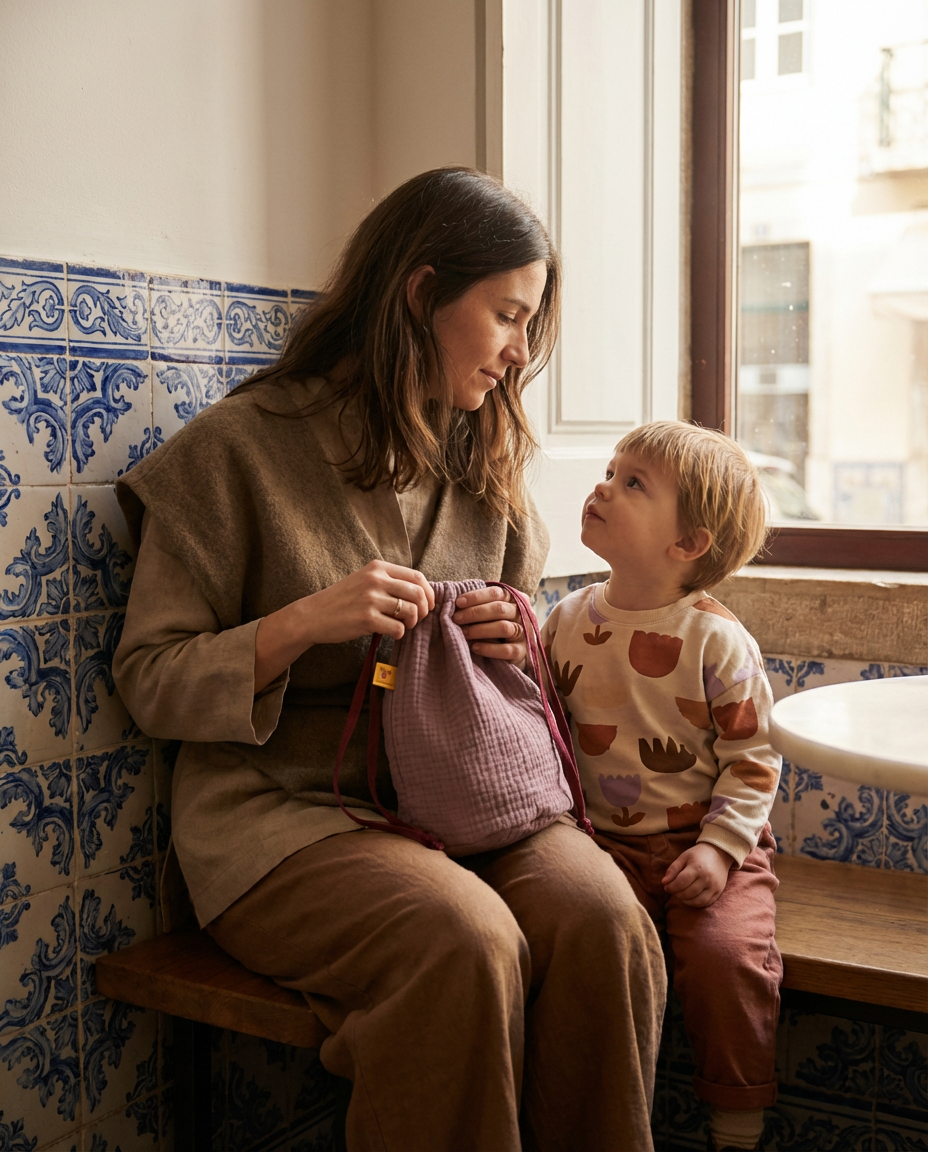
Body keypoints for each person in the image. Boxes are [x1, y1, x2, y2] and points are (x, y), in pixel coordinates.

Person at [113, 167, 666, 1152]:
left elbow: (513, 692)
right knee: (464, 938)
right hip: (280, 819)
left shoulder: (486, 475)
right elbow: (149, 677)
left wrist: (513, 648)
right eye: (505, 314)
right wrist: (297, 626)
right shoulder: (234, 454)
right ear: (418, 295)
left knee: (601, 919)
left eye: (530, 324)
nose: (520, 351)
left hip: (462, 801)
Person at [540, 422, 782, 1152]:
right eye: (610, 470)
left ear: (688, 545)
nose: (604, 485)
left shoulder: (715, 640)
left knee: (728, 960)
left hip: (708, 846)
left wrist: (719, 851)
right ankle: (600, 1112)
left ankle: (736, 1125)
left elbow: (754, 758)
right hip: (599, 846)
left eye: (633, 482)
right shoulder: (564, 620)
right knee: (591, 958)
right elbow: (540, 725)